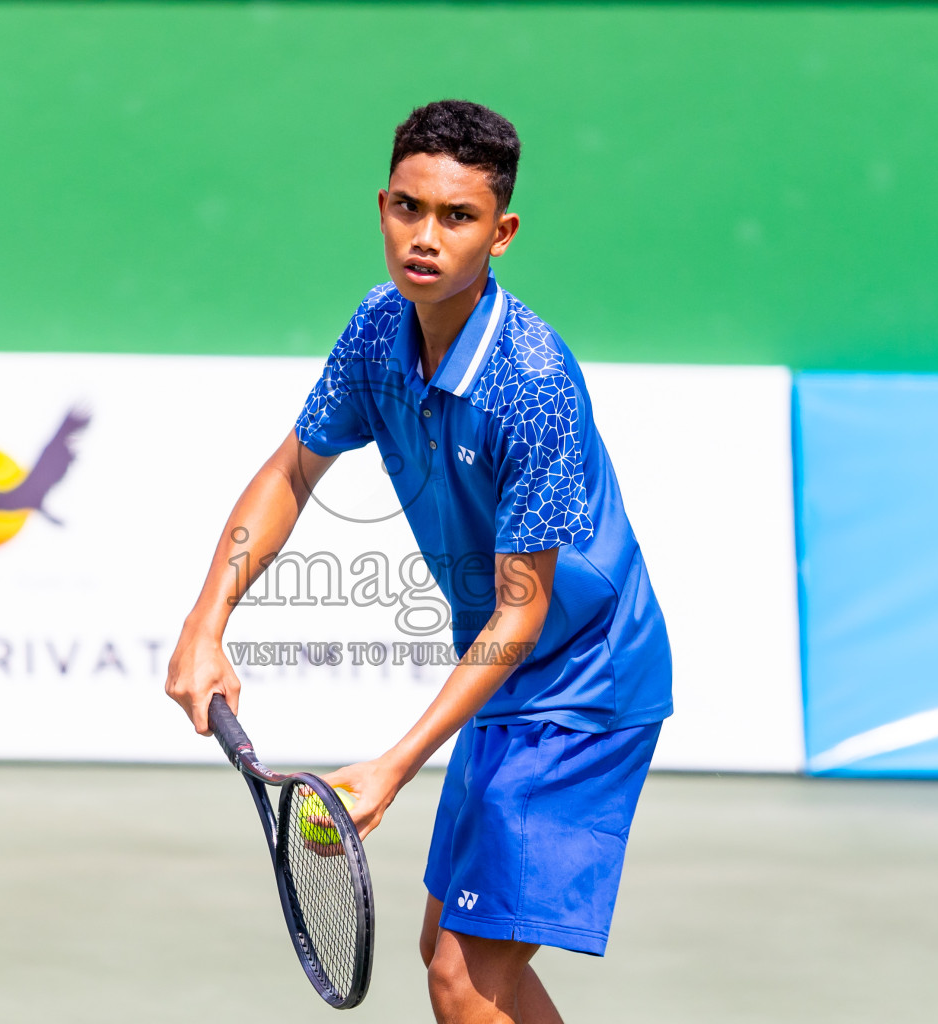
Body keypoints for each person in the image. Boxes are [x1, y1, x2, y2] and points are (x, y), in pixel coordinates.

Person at [166, 99, 672, 1024]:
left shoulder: (532, 384)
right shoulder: (377, 329)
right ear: (383, 205)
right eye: (408, 208)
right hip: (502, 678)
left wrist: (395, 764)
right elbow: (291, 470)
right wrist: (207, 625)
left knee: (460, 978)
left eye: (457, 217)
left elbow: (524, 611)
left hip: (584, 687)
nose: (424, 238)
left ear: (502, 232)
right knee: (459, 962)